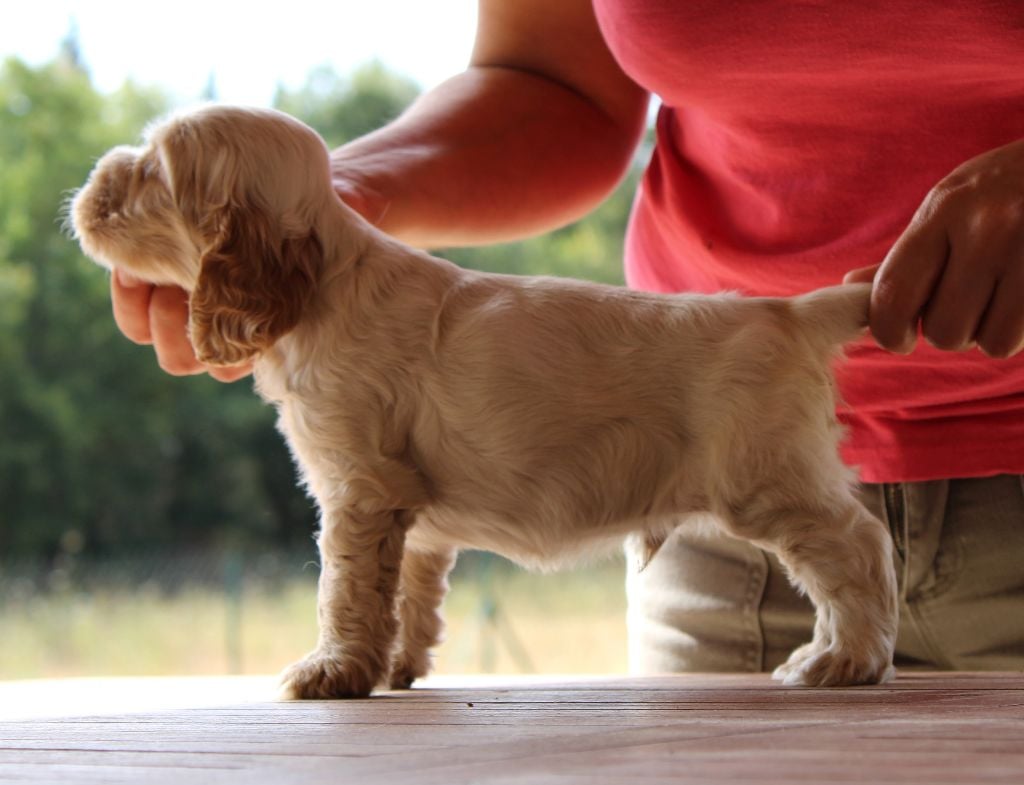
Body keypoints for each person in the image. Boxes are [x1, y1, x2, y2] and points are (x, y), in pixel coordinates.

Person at [110, 0, 1024, 672]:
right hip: (718, 552)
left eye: (157, 176)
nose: (119, 184)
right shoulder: (346, 331)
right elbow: (553, 84)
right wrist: (338, 202)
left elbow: (369, 501)